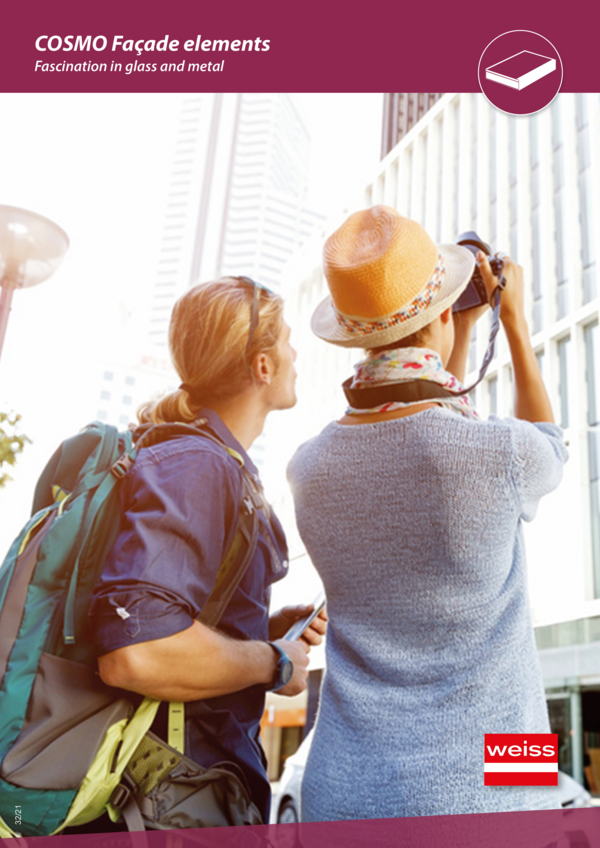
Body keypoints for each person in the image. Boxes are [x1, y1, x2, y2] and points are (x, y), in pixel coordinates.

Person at [287, 206, 567, 821]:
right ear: (441, 314)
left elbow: (419, 427)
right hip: (496, 793)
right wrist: (513, 322)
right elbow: (547, 440)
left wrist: (454, 333)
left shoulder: (307, 470)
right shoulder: (498, 456)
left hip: (345, 795)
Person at [89, 276, 326, 827]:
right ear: (263, 367)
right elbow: (139, 652)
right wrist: (273, 661)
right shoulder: (199, 466)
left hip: (178, 798)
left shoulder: (198, 460)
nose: (295, 353)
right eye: (288, 340)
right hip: (169, 803)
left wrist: (258, 632)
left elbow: (165, 623)